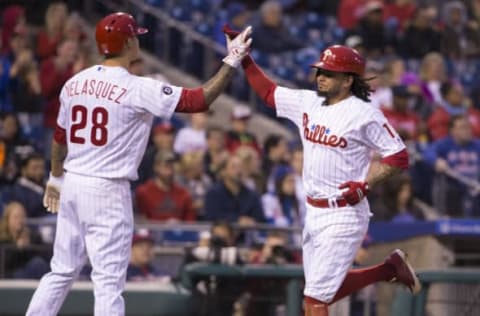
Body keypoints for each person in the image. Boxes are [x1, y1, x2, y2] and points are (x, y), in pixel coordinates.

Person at [26, 12, 253, 316]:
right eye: (136, 36)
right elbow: (199, 101)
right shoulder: (136, 87)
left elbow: (59, 136)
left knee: (61, 271)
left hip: (72, 182)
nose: (139, 41)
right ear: (129, 41)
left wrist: (54, 178)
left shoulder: (74, 82)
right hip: (106, 190)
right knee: (108, 283)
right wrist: (233, 60)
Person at [225, 27, 420, 316]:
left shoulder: (364, 113)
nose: (321, 76)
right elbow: (268, 92)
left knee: (315, 299)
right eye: (320, 71)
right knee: (319, 290)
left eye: (329, 73)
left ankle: (388, 269)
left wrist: (365, 184)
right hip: (313, 210)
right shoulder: (308, 101)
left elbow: (399, 155)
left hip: (344, 212)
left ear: (348, 79)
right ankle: (389, 269)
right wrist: (244, 59)